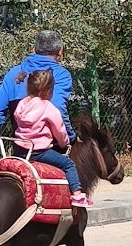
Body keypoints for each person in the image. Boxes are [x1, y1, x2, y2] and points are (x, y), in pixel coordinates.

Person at [0, 34, 76, 156]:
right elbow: (58, 109)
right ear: (60, 52)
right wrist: (71, 138)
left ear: (34, 50)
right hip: (51, 150)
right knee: (73, 169)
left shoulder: (14, 74)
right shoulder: (61, 75)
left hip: (20, 151)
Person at [12, 70, 87, 204]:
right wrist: (64, 143)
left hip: (20, 150)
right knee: (68, 164)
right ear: (48, 90)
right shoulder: (48, 108)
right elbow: (60, 130)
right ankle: (77, 195)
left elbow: (18, 119)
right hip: (39, 152)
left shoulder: (21, 104)